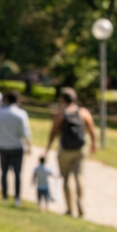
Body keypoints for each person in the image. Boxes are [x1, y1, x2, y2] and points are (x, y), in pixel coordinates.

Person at [46, 88, 96, 218]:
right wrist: (94, 144)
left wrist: (47, 148)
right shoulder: (84, 112)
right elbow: (91, 129)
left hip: (65, 150)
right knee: (79, 176)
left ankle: (69, 208)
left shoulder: (60, 114)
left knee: (66, 178)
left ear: (62, 99)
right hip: (80, 149)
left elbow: (54, 132)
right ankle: (80, 201)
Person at [0, 90, 33, 206]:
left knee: (4, 172)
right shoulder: (21, 114)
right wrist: (29, 145)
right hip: (17, 146)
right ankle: (17, 198)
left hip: (3, 146)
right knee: (17, 173)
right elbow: (25, 132)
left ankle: (4, 196)